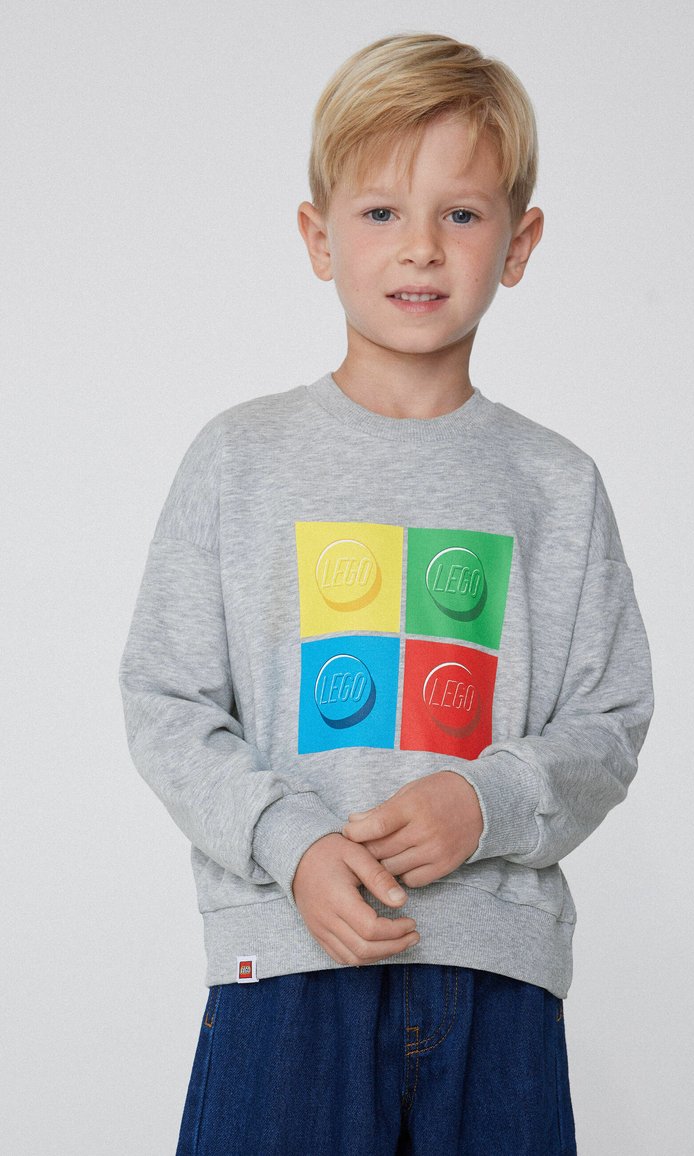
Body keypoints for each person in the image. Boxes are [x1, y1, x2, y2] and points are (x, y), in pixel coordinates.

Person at [119, 31, 654, 1156]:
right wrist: (291, 842)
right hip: (286, 971)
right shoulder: (240, 459)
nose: (420, 247)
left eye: (460, 212)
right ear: (318, 237)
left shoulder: (555, 483)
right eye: (379, 212)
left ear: (519, 242)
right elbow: (167, 702)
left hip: (493, 981)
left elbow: (607, 723)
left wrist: (484, 801)